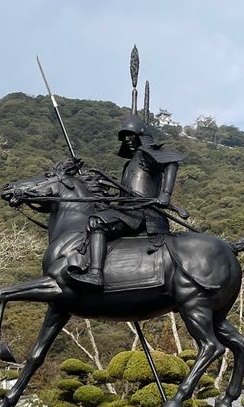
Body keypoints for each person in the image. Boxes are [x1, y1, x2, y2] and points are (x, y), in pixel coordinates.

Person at [68, 115, 187, 288]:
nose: (127, 140)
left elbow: (172, 163)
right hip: (128, 210)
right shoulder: (128, 165)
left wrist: (166, 194)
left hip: (141, 212)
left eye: (131, 136)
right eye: (124, 138)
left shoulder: (145, 154)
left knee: (96, 223)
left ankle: (95, 273)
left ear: (140, 136)